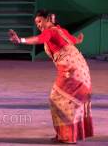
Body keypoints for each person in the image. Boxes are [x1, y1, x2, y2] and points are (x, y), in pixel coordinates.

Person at [9, 9, 93, 143]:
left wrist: (21, 40)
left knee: (58, 99)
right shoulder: (61, 30)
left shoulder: (50, 31)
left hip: (70, 70)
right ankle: (65, 135)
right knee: (65, 100)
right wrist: (78, 39)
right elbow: (73, 40)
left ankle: (67, 136)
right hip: (79, 68)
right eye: (36, 23)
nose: (38, 25)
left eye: (39, 21)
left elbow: (39, 39)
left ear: (47, 20)